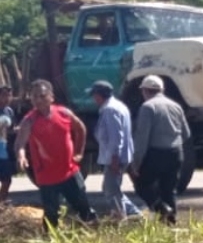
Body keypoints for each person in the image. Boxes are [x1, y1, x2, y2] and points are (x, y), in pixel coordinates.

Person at [13, 79, 97, 230]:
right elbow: (20, 143)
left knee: (85, 209)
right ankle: (51, 241)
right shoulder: (29, 121)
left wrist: (79, 152)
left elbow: (81, 129)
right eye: (34, 97)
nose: (38, 100)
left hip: (70, 172)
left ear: (51, 96)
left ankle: (94, 235)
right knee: (52, 215)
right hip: (47, 177)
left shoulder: (64, 113)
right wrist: (21, 156)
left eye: (42, 96)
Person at [131, 75, 191, 225]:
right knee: (169, 189)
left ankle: (162, 208)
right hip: (176, 152)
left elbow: (142, 138)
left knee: (142, 185)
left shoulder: (148, 107)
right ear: (162, 90)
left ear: (145, 91)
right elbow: (186, 134)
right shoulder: (175, 106)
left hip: (155, 153)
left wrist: (136, 163)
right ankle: (171, 222)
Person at [88, 80, 143, 221]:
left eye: (94, 95)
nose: (93, 99)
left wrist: (114, 158)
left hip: (115, 157)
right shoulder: (118, 106)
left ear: (100, 95)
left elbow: (116, 136)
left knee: (111, 190)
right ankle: (134, 214)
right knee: (111, 188)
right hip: (119, 155)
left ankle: (122, 216)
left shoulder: (110, 110)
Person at [0, 85, 13, 204]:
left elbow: (11, 130)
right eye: (4, 95)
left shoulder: (9, 111)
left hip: (3, 152)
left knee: (7, 180)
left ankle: (1, 202)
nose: (7, 98)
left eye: (9, 95)